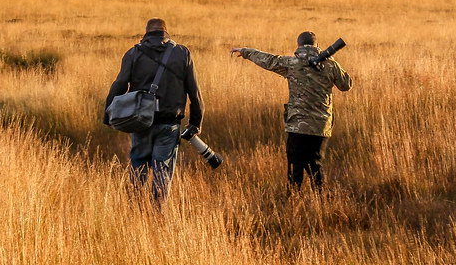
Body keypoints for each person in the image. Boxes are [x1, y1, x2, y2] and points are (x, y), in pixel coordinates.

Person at [231, 31, 352, 190]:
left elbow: (269, 60)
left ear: (298, 45)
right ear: (317, 45)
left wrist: (246, 52)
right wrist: (331, 60)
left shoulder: (291, 63)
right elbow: (346, 85)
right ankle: (321, 199)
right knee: (315, 163)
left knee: (295, 164)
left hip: (297, 124)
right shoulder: (329, 64)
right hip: (320, 125)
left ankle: (294, 197)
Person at [105, 18, 203, 209]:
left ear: (146, 32)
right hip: (170, 123)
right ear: (166, 31)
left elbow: (119, 84)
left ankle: (136, 212)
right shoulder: (182, 53)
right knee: (162, 171)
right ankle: (158, 214)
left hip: (139, 121)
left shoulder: (133, 53)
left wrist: (108, 114)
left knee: (138, 165)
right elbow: (194, 91)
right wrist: (196, 121)